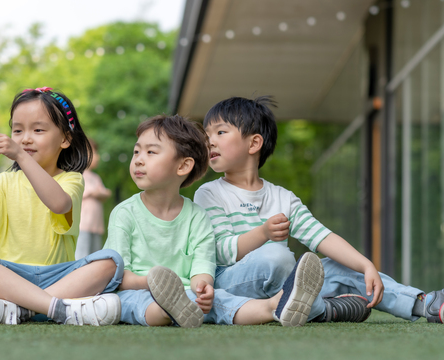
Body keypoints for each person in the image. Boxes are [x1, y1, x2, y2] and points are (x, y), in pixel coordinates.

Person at [194, 95, 444, 324]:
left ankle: (424, 304)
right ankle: (324, 310)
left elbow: (321, 237)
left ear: (254, 143)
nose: (210, 141)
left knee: (340, 268)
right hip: (233, 283)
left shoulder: (283, 197)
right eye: (207, 135)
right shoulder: (209, 193)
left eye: (221, 132)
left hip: (286, 283)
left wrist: (366, 264)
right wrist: (263, 234)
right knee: (275, 257)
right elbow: (219, 252)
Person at [104, 114, 325, 327]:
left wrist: (204, 287)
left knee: (218, 300)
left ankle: (274, 306)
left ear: (183, 166)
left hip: (186, 294)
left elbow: (202, 265)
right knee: (132, 303)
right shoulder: (124, 213)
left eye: (151, 152)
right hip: (136, 291)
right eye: (136, 152)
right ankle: (167, 311)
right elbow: (117, 275)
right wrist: (153, 284)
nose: (139, 160)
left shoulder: (197, 216)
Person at [0, 87, 123, 326]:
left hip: (59, 278)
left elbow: (58, 203)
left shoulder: (71, 179)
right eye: (18, 130)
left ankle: (24, 309)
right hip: (9, 279)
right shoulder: (2, 182)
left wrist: (21, 156)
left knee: (111, 260)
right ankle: (57, 308)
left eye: (38, 130)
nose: (25, 138)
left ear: (65, 139)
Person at [75, 138, 111, 259]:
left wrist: (97, 193)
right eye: (94, 153)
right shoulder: (78, 175)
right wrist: (95, 193)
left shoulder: (96, 178)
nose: (97, 157)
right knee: (81, 255)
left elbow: (105, 193)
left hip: (96, 225)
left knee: (95, 256)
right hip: (82, 225)